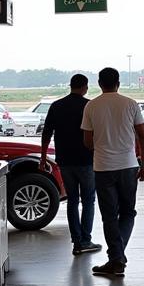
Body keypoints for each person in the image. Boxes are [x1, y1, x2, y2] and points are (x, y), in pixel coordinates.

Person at [81, 67, 144, 277]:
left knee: (109, 216)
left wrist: (103, 146)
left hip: (103, 168)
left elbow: (88, 141)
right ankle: (117, 257)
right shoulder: (130, 103)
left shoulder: (91, 106)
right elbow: (142, 137)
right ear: (118, 83)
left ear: (99, 84)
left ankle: (116, 258)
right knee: (128, 212)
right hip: (129, 166)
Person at [41, 74, 100, 256]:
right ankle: (86, 240)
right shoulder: (89, 106)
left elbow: (46, 132)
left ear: (71, 86)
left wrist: (43, 158)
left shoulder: (57, 106)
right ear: (85, 87)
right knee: (88, 199)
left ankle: (76, 242)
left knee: (72, 200)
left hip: (65, 161)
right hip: (87, 160)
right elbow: (97, 133)